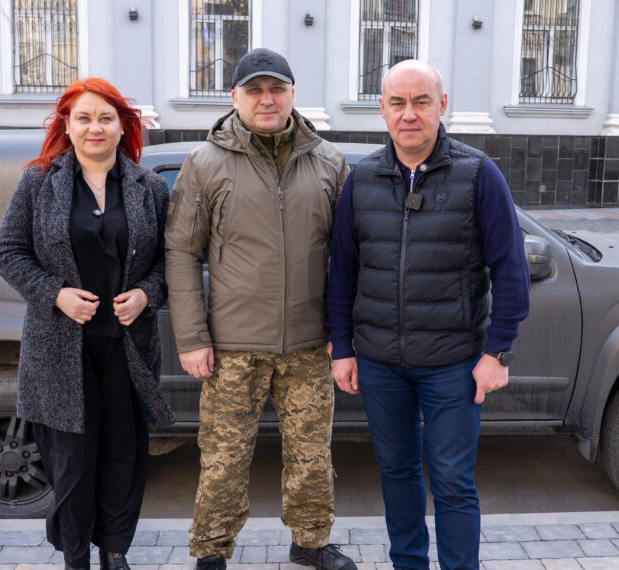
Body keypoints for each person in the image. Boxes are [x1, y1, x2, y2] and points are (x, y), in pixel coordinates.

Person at [325, 60, 530, 570]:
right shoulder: (362, 179)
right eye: (398, 103)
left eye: (421, 102)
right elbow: (343, 270)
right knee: (396, 473)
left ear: (442, 105)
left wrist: (498, 352)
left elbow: (510, 268)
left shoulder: (478, 174)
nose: (409, 114)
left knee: (452, 482)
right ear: (382, 109)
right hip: (380, 364)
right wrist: (343, 347)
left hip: (452, 364)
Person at [164, 48, 356, 570]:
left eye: (276, 89)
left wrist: (343, 332)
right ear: (235, 97)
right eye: (254, 90)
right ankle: (211, 550)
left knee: (312, 455)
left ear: (293, 94)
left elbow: (347, 255)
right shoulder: (206, 163)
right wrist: (192, 337)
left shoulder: (328, 161)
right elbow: (181, 251)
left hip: (310, 342)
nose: (266, 100)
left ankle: (311, 542)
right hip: (232, 347)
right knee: (223, 458)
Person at [0, 77, 174, 570]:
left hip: (126, 349)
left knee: (122, 457)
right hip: (59, 351)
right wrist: (56, 293)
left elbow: (170, 261)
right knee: (71, 464)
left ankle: (114, 553)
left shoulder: (150, 188)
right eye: (84, 118)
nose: (95, 127)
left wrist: (147, 294)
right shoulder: (39, 182)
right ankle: (76, 558)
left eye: (106, 118)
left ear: (123, 127)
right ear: (67, 126)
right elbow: (7, 253)